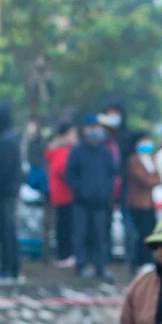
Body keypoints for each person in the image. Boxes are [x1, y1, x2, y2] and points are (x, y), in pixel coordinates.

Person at [69, 116, 119, 280]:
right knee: (81, 234)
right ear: (85, 129)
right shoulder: (77, 150)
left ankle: (100, 267)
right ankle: (81, 265)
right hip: (81, 203)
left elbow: (112, 174)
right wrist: (80, 190)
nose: (95, 130)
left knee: (100, 235)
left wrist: (106, 191)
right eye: (92, 127)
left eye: (98, 127)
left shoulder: (105, 151)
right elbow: (70, 174)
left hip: (101, 203)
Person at [122, 128, 162, 277]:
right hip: (137, 204)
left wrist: (153, 179)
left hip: (150, 204)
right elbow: (145, 180)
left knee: (150, 233)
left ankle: (148, 261)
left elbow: (159, 177)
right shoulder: (133, 160)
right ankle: (139, 263)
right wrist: (153, 179)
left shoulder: (152, 158)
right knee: (140, 235)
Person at [0, 104, 24, 280]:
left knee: (7, 231)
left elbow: (4, 170)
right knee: (7, 231)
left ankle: (9, 268)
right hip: (9, 192)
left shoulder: (6, 141)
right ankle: (9, 267)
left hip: (6, 193)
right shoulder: (9, 138)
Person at [44, 122, 76, 265]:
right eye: (72, 133)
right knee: (65, 227)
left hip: (60, 196)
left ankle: (65, 255)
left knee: (64, 227)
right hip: (65, 196)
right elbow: (62, 171)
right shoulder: (64, 152)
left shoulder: (59, 152)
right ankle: (65, 256)